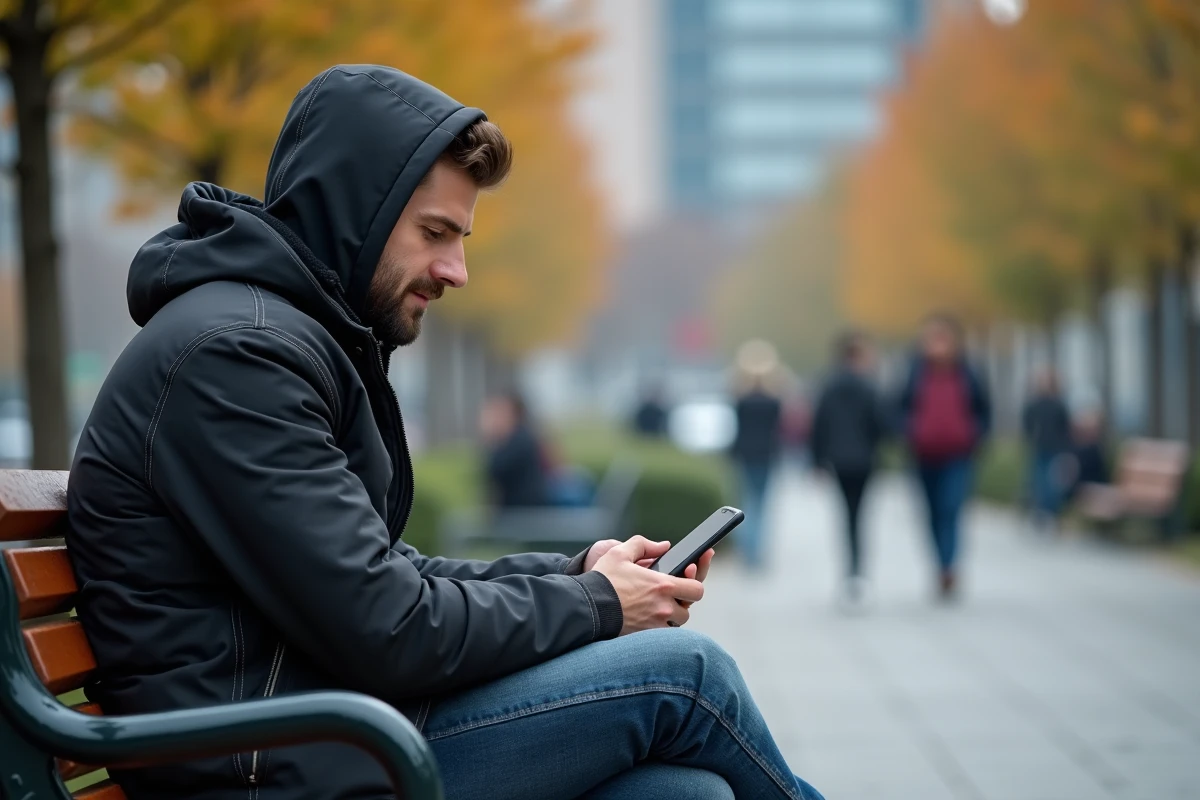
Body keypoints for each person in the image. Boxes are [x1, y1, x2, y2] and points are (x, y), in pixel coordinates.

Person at [66, 65, 822, 800]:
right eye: (435, 232)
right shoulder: (235, 357)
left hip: (323, 731)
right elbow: (386, 624)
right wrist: (598, 604)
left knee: (679, 794)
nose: (455, 269)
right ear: (354, 215)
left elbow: (384, 576)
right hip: (270, 765)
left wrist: (575, 573)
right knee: (686, 676)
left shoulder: (275, 339)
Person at [898, 313, 991, 601]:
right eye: (931, 338)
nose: (937, 344)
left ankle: (948, 567)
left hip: (957, 454)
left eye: (943, 337)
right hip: (923, 454)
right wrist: (908, 432)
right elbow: (897, 406)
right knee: (931, 512)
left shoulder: (968, 372)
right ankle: (939, 563)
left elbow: (984, 409)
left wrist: (976, 436)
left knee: (951, 508)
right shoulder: (914, 371)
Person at [810, 331, 886, 607]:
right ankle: (857, 573)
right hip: (864, 461)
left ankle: (850, 573)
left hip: (838, 461)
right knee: (860, 516)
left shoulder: (829, 386)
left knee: (846, 516)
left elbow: (819, 425)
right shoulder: (869, 387)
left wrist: (817, 461)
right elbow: (881, 425)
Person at [729, 340, 784, 570]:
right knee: (761, 505)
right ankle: (757, 552)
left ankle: (748, 551)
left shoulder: (741, 401)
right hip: (767, 456)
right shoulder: (773, 402)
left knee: (745, 503)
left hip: (744, 455)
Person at [1021, 368, 1073, 529]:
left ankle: (1049, 511)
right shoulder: (1040, 404)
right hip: (1041, 448)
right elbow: (1027, 423)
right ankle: (1042, 512)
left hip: (1053, 449)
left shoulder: (1056, 405)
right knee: (1040, 481)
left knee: (1049, 482)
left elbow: (1065, 427)